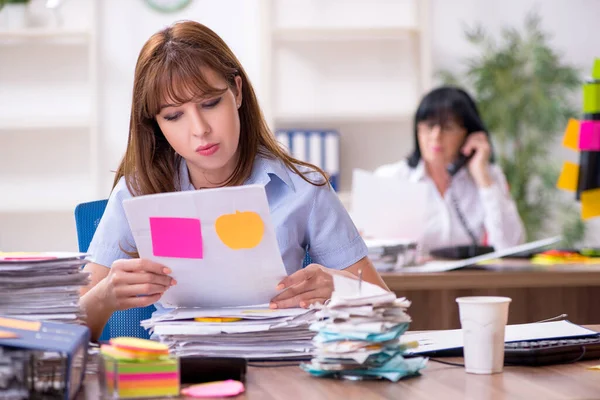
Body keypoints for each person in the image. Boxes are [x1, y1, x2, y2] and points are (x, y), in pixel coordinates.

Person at [80, 20, 387, 341]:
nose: (199, 129)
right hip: (180, 375)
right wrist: (104, 296)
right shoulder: (137, 191)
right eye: (173, 115)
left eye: (210, 103)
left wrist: (342, 287)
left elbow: (386, 311)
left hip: (282, 372)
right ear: (156, 124)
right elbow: (66, 331)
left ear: (237, 92)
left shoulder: (303, 187)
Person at [375, 86, 525, 254]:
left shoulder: (489, 176)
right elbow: (374, 252)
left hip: (470, 279)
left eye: (447, 127)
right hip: (412, 279)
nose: (436, 136)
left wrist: (482, 177)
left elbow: (511, 246)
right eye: (429, 126)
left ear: (468, 133)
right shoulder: (390, 178)